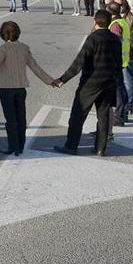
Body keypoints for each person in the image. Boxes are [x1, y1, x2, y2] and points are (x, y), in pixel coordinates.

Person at [0, 21, 54, 155]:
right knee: (21, 118)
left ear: (2, 34)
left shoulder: (2, 49)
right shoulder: (24, 48)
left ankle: (13, 146)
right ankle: (20, 146)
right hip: (21, 87)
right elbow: (35, 67)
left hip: (5, 88)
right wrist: (50, 81)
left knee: (10, 119)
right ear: (18, 33)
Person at [52, 10, 122, 157]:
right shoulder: (115, 39)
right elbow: (119, 63)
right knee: (103, 117)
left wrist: (62, 79)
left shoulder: (93, 38)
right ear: (109, 23)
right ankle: (100, 148)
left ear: (95, 22)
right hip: (108, 82)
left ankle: (71, 146)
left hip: (91, 82)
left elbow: (79, 62)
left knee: (78, 114)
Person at [108, 2, 131, 126]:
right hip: (122, 58)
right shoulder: (122, 21)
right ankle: (124, 113)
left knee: (118, 90)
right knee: (121, 88)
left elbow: (114, 42)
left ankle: (119, 116)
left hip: (117, 60)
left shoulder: (115, 24)